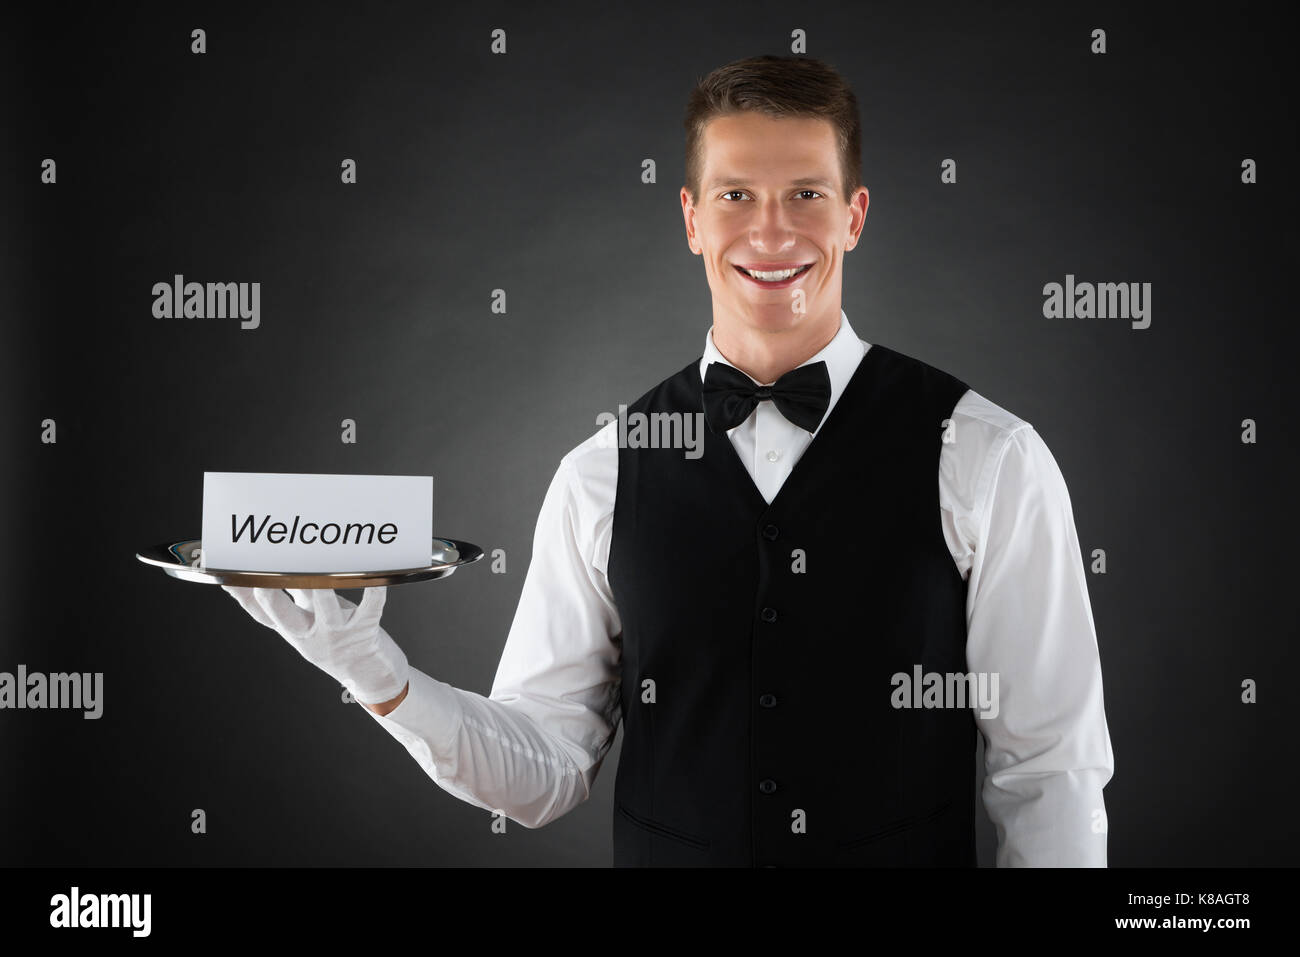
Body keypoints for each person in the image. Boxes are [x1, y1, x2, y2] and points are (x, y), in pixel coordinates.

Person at [224, 54, 1113, 867]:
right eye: (735, 196)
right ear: (691, 218)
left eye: (806, 193)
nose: (771, 233)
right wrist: (379, 677)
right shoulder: (599, 473)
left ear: (855, 215)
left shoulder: (990, 456)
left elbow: (1050, 777)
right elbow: (544, 769)